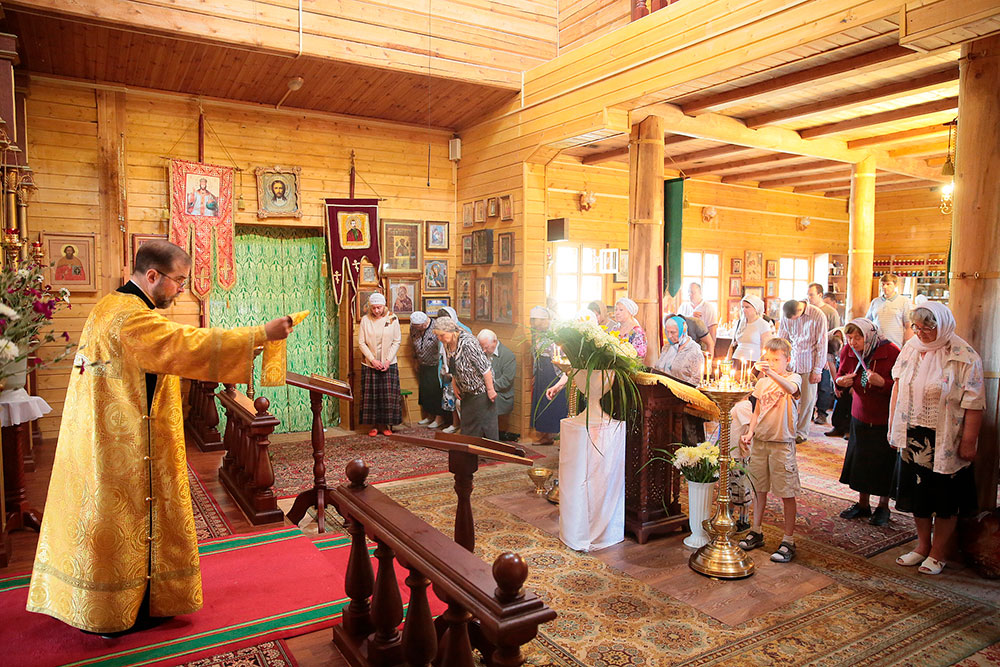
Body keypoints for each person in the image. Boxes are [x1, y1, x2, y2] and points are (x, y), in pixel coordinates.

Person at [27, 240, 295, 635]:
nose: (181, 290)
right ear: (152, 275)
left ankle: (124, 600)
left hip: (100, 440)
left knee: (107, 523)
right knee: (128, 522)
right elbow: (180, 344)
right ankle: (119, 609)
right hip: (127, 446)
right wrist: (259, 334)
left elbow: (171, 351)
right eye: (179, 281)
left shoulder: (110, 306)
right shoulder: (132, 318)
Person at [889, 303, 984, 575]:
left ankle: (938, 552)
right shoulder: (911, 348)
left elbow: (974, 402)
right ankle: (922, 546)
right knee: (918, 495)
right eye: (916, 327)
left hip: (946, 437)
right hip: (914, 434)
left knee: (944, 498)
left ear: (941, 325)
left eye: (927, 328)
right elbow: (898, 387)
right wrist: (893, 427)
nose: (920, 333)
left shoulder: (964, 355)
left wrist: (969, 441)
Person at [737, 338, 803, 563]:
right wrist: (750, 432)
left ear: (787, 359)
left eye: (776, 359)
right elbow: (757, 410)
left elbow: (791, 390)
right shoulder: (762, 383)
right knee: (759, 489)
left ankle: (788, 539)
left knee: (786, 491)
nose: (772, 363)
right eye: (768, 359)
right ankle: (756, 530)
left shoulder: (793, 378)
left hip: (781, 443)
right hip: (761, 442)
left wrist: (770, 373)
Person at [835, 319, 901, 526]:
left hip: (883, 417)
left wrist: (883, 383)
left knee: (883, 462)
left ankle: (883, 507)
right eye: (849, 338)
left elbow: (901, 386)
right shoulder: (848, 350)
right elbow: (841, 374)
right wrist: (840, 381)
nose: (852, 342)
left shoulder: (891, 352)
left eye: (858, 338)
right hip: (860, 413)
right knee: (860, 460)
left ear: (869, 336)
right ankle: (862, 504)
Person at [434, 316, 498, 439]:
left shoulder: (468, 343)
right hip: (466, 391)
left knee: (484, 426)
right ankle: (471, 450)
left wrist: (490, 390)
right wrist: (454, 384)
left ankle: (488, 451)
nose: (439, 338)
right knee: (469, 427)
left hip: (481, 390)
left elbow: (485, 369)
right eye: (437, 335)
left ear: (451, 331)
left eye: (442, 335)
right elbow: (452, 366)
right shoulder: (448, 343)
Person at [778, 298, 827, 444]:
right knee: (788, 399)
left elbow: (822, 344)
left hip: (809, 364)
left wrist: (817, 370)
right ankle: (788, 429)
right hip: (792, 364)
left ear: (800, 310)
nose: (792, 321)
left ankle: (801, 432)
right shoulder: (786, 315)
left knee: (807, 401)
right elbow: (783, 339)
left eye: (794, 318)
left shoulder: (817, 315)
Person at [358, 292, 402, 437]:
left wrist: (388, 360)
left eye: (379, 307)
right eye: (374, 308)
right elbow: (361, 343)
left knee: (387, 397)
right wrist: (372, 360)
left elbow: (396, 341)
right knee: (372, 396)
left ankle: (385, 425)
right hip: (370, 364)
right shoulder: (365, 320)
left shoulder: (392, 318)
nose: (376, 310)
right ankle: (374, 425)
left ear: (384, 306)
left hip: (389, 363)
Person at [530, 305, 566, 445]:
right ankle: (544, 434)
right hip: (541, 371)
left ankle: (552, 434)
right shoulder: (536, 332)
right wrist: (535, 373)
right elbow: (535, 354)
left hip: (553, 371)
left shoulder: (554, 331)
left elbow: (560, 353)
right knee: (541, 402)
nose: (534, 324)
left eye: (536, 320)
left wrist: (562, 374)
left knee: (552, 402)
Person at [437, 306, 471, 433]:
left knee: (460, 398)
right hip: (447, 368)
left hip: (460, 369)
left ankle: (464, 426)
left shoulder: (463, 331)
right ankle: (454, 423)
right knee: (450, 397)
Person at [478, 329, 517, 438]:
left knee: (479, 403)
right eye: (482, 347)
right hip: (485, 390)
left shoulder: (508, 355)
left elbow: (506, 381)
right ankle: (476, 434)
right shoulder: (482, 352)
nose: (483, 350)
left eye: (486, 347)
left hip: (501, 394)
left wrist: (487, 387)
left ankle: (488, 436)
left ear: (494, 342)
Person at [410, 311, 444, 429]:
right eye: (415, 327)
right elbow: (413, 344)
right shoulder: (413, 327)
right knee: (425, 392)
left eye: (419, 327)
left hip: (435, 365)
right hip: (422, 364)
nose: (417, 329)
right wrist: (415, 360)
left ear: (425, 323)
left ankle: (439, 418)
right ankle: (429, 416)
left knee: (435, 392)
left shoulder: (436, 327)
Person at [654, 315, 704, 385]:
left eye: (673, 332)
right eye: (667, 332)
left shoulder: (694, 351)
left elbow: (696, 380)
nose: (669, 336)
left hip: (682, 390)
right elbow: (658, 368)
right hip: (662, 388)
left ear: (682, 331)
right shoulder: (667, 347)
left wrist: (677, 389)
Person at [867, 273, 912, 348]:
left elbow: (908, 326)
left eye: (888, 284)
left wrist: (906, 345)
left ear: (895, 285)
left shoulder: (904, 301)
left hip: (896, 344)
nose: (885, 287)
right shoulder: (875, 302)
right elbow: (868, 322)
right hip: (877, 344)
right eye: (883, 284)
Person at [729, 294, 773, 365]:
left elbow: (766, 348)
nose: (744, 310)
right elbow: (732, 344)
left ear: (756, 308)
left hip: (753, 361)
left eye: (747, 307)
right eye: (742, 307)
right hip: (737, 359)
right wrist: (728, 360)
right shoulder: (740, 323)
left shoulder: (763, 324)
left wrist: (763, 365)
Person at [678, 282, 717, 355]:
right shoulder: (683, 307)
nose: (690, 295)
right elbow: (677, 326)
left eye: (693, 292)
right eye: (689, 292)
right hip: (685, 344)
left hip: (703, 343)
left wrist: (711, 350)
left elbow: (712, 331)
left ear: (700, 293)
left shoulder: (709, 308)